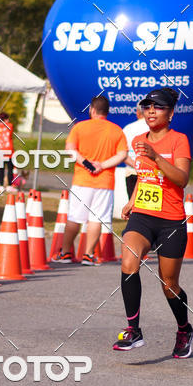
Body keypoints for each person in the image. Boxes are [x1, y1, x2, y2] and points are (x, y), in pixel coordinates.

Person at [113, 86, 193, 359]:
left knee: (169, 284)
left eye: (157, 106)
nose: (151, 110)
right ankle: (133, 330)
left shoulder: (178, 140)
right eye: (147, 105)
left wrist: (156, 156)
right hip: (143, 216)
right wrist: (133, 200)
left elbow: (181, 179)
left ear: (170, 113)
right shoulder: (138, 138)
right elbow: (143, 176)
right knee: (128, 262)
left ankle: (184, 328)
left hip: (171, 221)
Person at [52, 95, 127, 265]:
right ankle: (88, 254)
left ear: (92, 110)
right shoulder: (116, 130)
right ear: (107, 112)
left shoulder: (80, 127)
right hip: (104, 182)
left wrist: (87, 163)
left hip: (82, 180)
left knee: (74, 217)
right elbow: (122, 155)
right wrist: (101, 165)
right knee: (96, 219)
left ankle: (65, 253)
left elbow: (70, 150)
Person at [122, 103, 148, 199]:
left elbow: (122, 154)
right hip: (150, 174)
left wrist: (136, 166)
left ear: (137, 113)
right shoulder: (155, 128)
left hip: (132, 172)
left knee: (134, 208)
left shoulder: (128, 129)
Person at [0, 111, 15, 191]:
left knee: (1, 169)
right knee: (10, 169)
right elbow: (10, 134)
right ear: (5, 119)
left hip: (0, 151)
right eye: (7, 119)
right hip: (9, 151)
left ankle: (1, 186)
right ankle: (9, 186)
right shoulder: (10, 126)